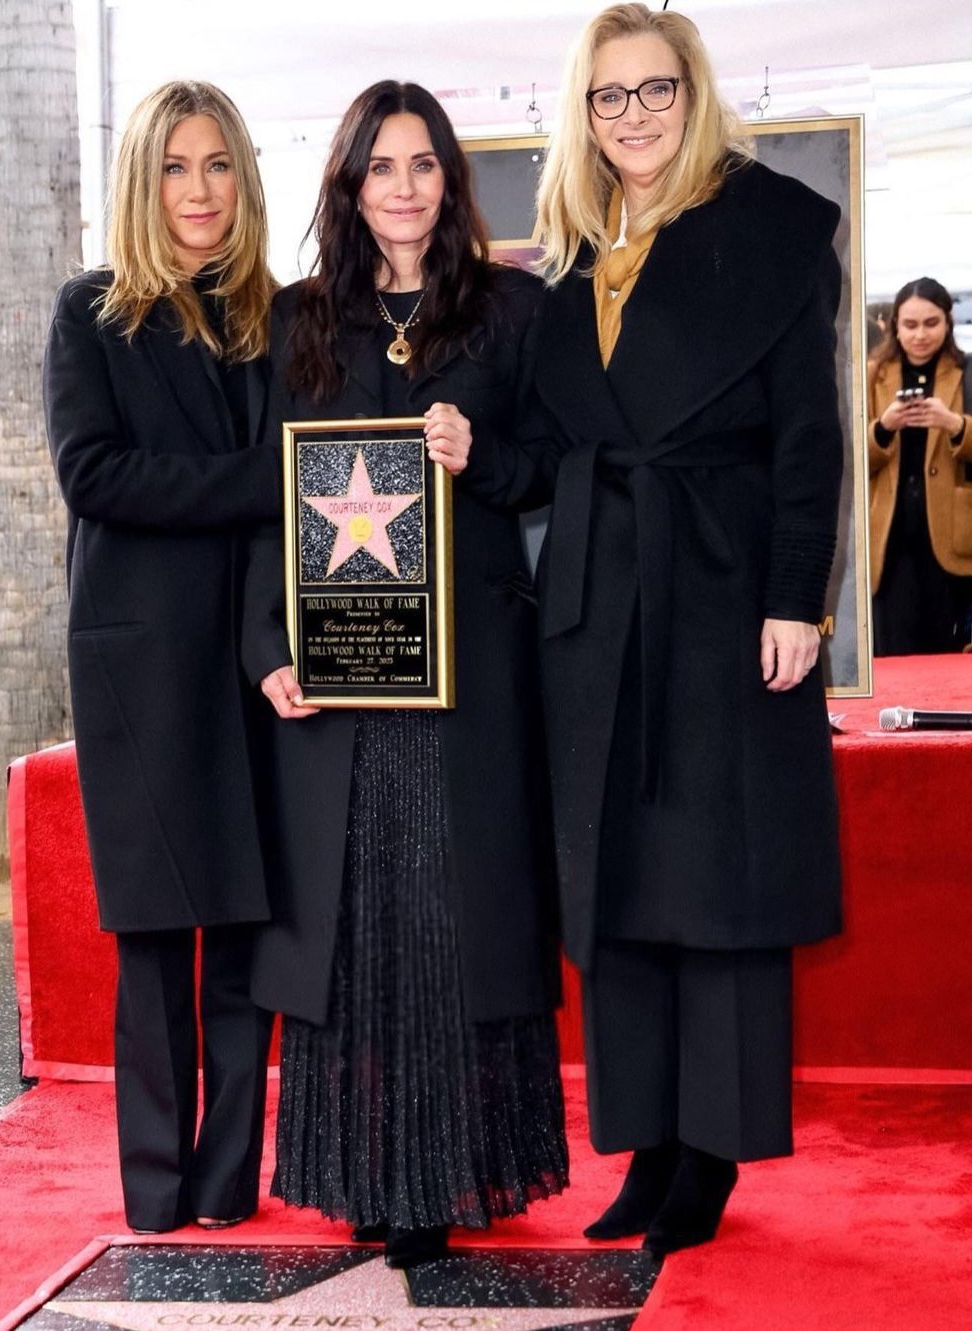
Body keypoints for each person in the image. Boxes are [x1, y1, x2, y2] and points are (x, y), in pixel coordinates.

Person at [527, 3, 844, 1256]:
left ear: (694, 92)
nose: (635, 116)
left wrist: (793, 598)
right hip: (603, 606)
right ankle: (646, 1143)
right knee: (620, 885)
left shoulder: (770, 231)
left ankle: (710, 1153)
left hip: (721, 596)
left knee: (721, 878)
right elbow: (553, 447)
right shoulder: (571, 256)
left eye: (656, 90)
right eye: (610, 97)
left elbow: (810, 439)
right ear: (585, 114)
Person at [244, 80, 568, 1269]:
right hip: (340, 690)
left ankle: (448, 1166)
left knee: (449, 919)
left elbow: (554, 471)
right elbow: (263, 513)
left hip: (473, 677)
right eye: (382, 166)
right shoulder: (295, 323)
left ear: (452, 180)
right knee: (356, 927)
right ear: (348, 182)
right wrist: (268, 649)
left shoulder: (512, 312)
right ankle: (361, 1167)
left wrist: (482, 456)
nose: (405, 187)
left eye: (425, 164)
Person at [43, 80, 279, 1234]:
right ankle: (153, 1188)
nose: (200, 189)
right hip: (139, 665)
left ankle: (228, 1182)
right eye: (178, 166)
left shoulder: (270, 317)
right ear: (144, 179)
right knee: (154, 939)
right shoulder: (91, 311)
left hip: (254, 658)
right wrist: (258, 479)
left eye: (219, 165)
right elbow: (96, 475)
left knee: (243, 929)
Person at [868, 277, 972, 654]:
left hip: (952, 536)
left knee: (947, 649)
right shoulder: (871, 375)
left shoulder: (966, 372)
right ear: (894, 324)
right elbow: (847, 456)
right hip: (889, 536)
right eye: (910, 324)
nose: (920, 335)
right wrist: (883, 428)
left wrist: (956, 426)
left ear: (948, 321)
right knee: (893, 650)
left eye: (931, 323)